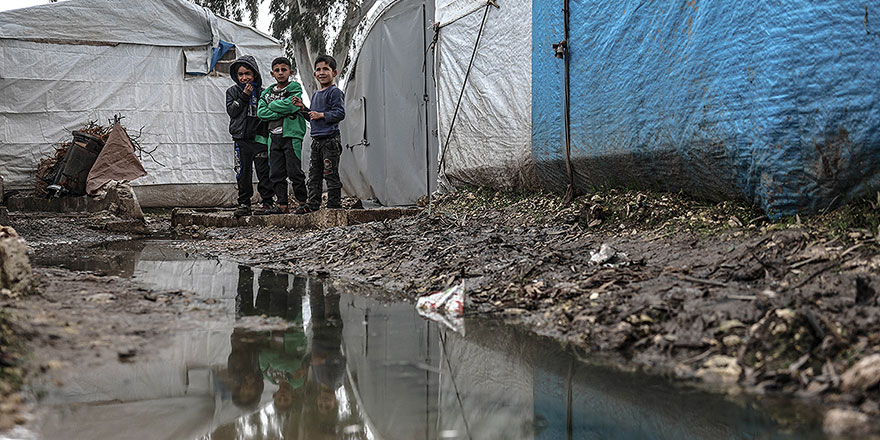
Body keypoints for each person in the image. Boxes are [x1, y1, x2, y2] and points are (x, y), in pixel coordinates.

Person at [292, 55, 346, 214]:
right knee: (314, 175)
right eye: (318, 69)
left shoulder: (335, 92)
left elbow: (340, 113)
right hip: (317, 141)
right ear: (315, 74)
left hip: (330, 140)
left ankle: (334, 205)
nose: (322, 72)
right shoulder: (316, 94)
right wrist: (303, 109)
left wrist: (322, 115)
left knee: (330, 173)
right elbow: (312, 116)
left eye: (326, 69)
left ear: (334, 72)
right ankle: (313, 203)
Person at [257, 57, 308, 214]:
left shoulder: (294, 87)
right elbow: (261, 112)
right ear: (272, 73)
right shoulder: (267, 92)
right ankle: (282, 205)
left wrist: (272, 105)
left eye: (283, 70)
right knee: (276, 173)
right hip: (273, 137)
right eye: (277, 70)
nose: (280, 73)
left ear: (290, 72)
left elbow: (292, 105)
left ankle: (303, 202)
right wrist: (280, 110)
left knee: (294, 171)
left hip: (291, 136)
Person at [226, 55, 275, 217]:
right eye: (240, 74)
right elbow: (232, 111)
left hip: (260, 138)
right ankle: (244, 203)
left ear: (255, 74)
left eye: (247, 73)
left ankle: (267, 202)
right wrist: (244, 96)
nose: (244, 77)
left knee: (264, 170)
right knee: (243, 172)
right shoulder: (232, 92)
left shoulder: (263, 92)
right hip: (241, 139)